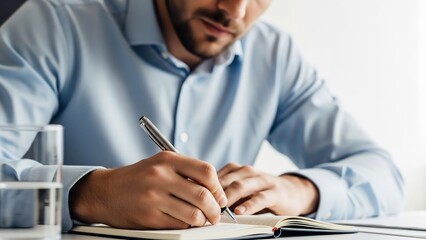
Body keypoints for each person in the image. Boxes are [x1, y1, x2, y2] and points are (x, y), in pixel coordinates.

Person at [0, 0, 404, 232]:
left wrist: (300, 191)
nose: (235, 10)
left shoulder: (274, 56)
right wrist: (91, 193)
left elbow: (383, 175)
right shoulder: (54, 23)